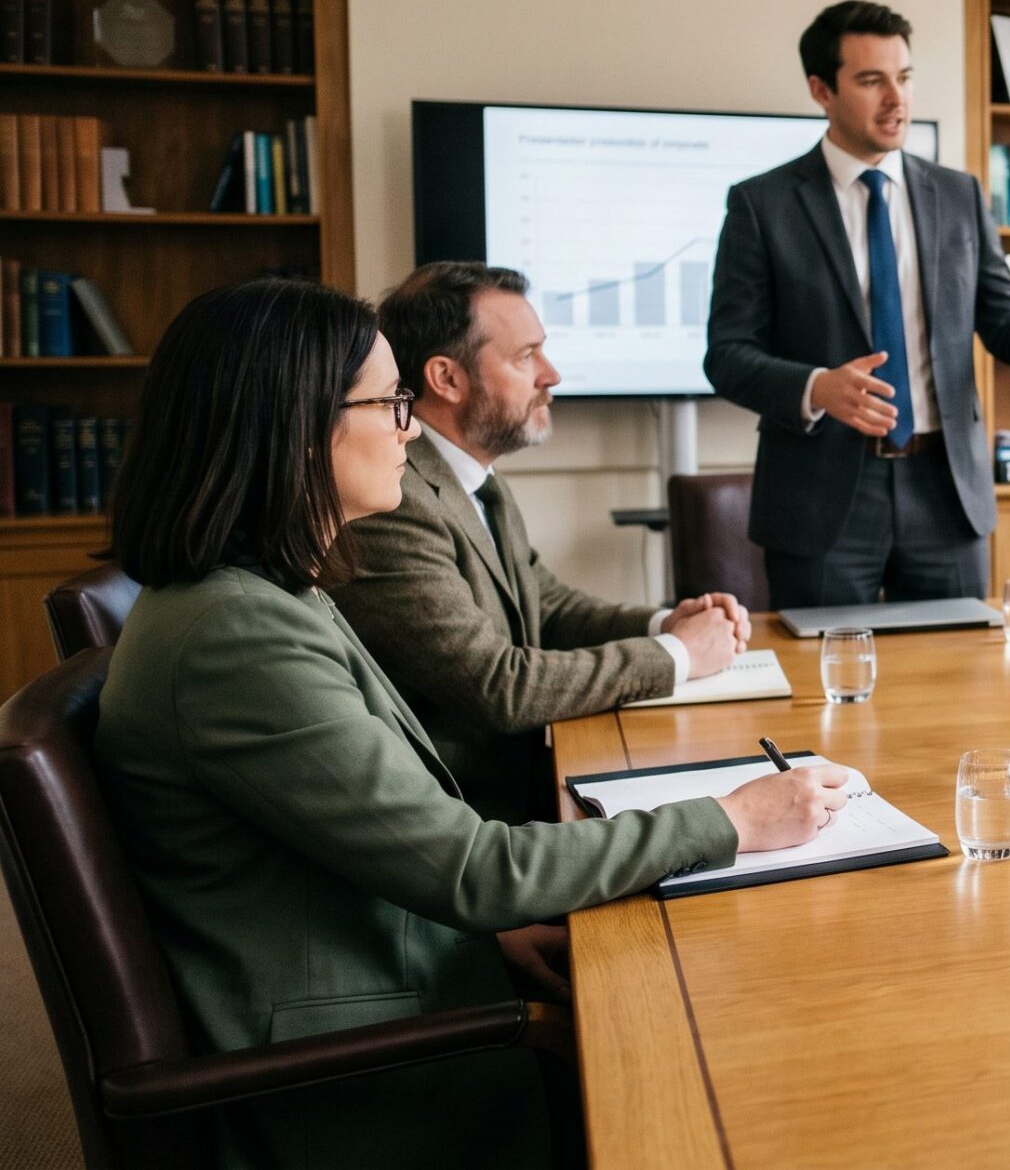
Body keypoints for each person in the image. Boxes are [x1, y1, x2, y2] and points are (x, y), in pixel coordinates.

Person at [93, 278, 849, 1170]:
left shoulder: (268, 592)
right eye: (388, 403)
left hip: (402, 958)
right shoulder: (234, 633)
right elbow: (471, 866)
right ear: (294, 427)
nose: (410, 431)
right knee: (749, 1071)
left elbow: (388, 839)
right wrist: (734, 819)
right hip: (358, 1078)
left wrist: (486, 933)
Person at [707, 0, 1010, 607]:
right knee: (822, 690)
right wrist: (817, 387)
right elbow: (726, 354)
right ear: (821, 90)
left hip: (945, 493)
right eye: (871, 80)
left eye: (903, 78)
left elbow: (1008, 328)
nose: (896, 99)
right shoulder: (763, 204)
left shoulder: (957, 196)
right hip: (820, 499)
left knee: (956, 684)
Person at [332, 261, 752, 823]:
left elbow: (546, 605)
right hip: (478, 818)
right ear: (446, 378)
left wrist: (666, 623)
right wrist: (679, 656)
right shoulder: (396, 500)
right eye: (525, 356)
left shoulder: (474, 477)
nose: (550, 375)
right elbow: (497, 685)